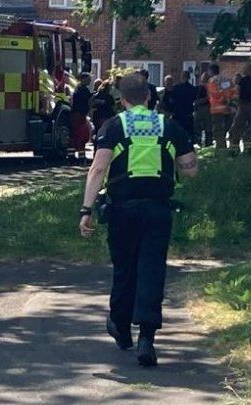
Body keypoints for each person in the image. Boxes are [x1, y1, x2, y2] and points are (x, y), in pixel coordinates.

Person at [79, 73, 198, 367]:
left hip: (123, 209)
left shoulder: (113, 126)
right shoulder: (169, 126)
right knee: (152, 269)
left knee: (125, 268)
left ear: (122, 100)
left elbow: (98, 169)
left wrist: (86, 210)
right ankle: (147, 337)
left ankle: (121, 326)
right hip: (158, 209)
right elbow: (190, 170)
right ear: (148, 97)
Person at [207, 64, 235, 149]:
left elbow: (214, 93)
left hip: (217, 109)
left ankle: (221, 149)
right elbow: (231, 91)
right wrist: (227, 99)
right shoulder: (226, 79)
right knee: (225, 130)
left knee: (218, 131)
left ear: (211, 71)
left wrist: (220, 99)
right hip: (227, 108)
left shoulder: (212, 81)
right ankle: (226, 147)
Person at [168, 70, 198, 139]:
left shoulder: (176, 88)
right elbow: (195, 100)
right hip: (188, 114)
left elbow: (171, 101)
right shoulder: (193, 89)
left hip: (178, 115)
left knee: (177, 135)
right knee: (189, 135)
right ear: (189, 78)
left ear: (181, 77)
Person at [71, 72, 93, 151]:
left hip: (79, 113)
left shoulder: (78, 88)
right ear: (83, 79)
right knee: (81, 134)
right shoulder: (82, 89)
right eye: (88, 79)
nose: (90, 81)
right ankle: (79, 151)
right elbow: (88, 98)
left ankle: (77, 151)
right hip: (79, 114)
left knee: (78, 133)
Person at [194, 72, 212, 147]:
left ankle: (206, 143)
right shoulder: (199, 88)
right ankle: (202, 142)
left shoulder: (209, 88)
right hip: (201, 109)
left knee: (206, 127)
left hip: (206, 109)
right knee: (200, 127)